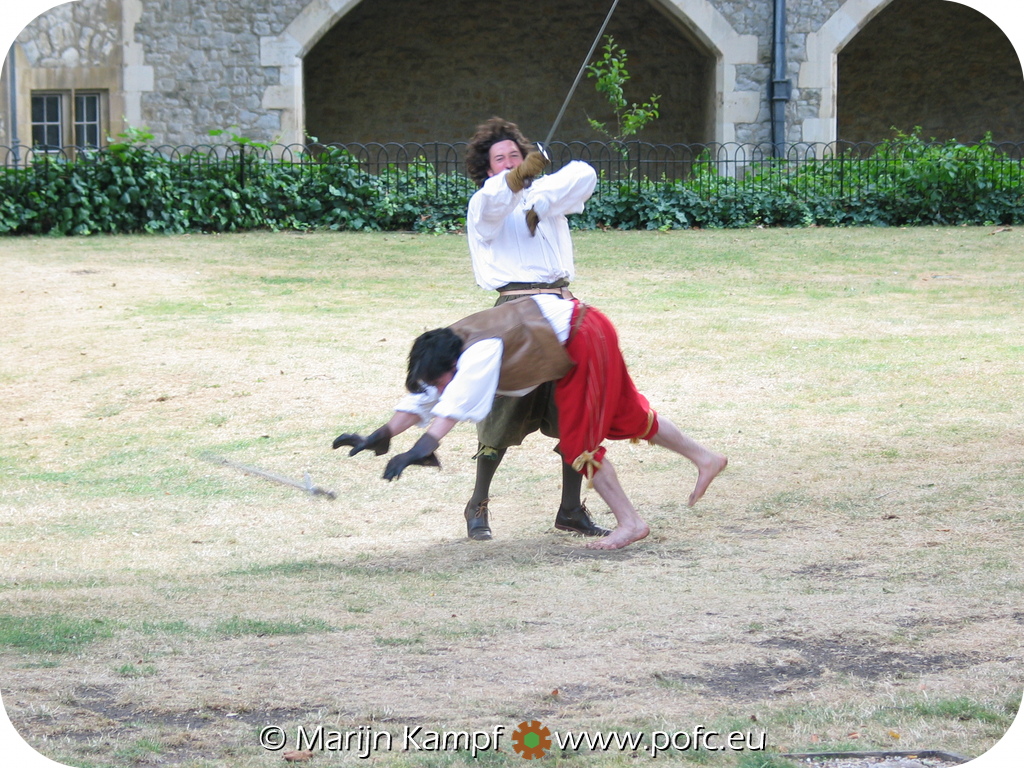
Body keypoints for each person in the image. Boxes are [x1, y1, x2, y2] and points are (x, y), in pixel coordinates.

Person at [334, 295, 727, 551]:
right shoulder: (447, 346)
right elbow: (429, 394)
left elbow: (454, 403)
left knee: (579, 445)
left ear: (451, 367)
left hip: (583, 337)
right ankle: (705, 457)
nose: (439, 385)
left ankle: (631, 522)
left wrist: (422, 448)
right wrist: (382, 434)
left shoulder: (477, 353)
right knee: (628, 417)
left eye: (440, 378)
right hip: (585, 332)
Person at [460, 116, 603, 541]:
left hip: (563, 308)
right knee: (502, 410)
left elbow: (583, 175)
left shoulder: (545, 195)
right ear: (488, 169)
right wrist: (514, 182)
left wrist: (537, 192)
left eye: (516, 157)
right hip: (516, 311)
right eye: (499, 160)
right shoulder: (483, 203)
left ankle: (571, 509)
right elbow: (491, 206)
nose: (508, 163)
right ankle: (477, 503)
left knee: (577, 410)